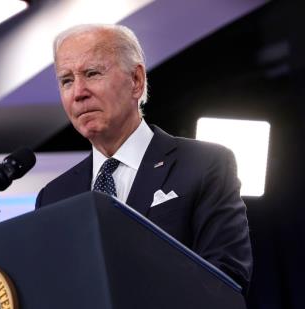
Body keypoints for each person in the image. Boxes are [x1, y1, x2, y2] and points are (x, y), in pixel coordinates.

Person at [35, 24, 253, 292]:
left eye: (92, 73)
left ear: (136, 80)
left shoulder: (204, 164)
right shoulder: (54, 196)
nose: (78, 92)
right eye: (67, 80)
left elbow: (226, 277)